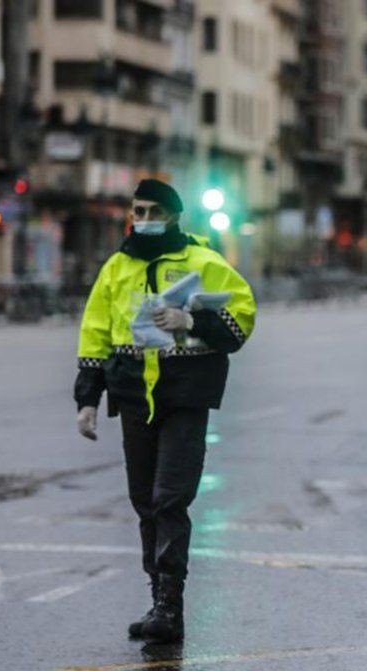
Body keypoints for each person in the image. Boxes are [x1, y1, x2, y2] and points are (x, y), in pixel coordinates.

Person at [73, 178, 256, 643]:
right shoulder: (116, 267)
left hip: (184, 395)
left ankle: (169, 607)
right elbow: (95, 331)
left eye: (155, 211)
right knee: (143, 500)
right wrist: (87, 401)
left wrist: (192, 320)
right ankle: (157, 595)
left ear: (174, 217)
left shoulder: (204, 263)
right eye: (139, 210)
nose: (146, 219)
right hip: (134, 395)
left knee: (170, 498)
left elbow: (242, 320)